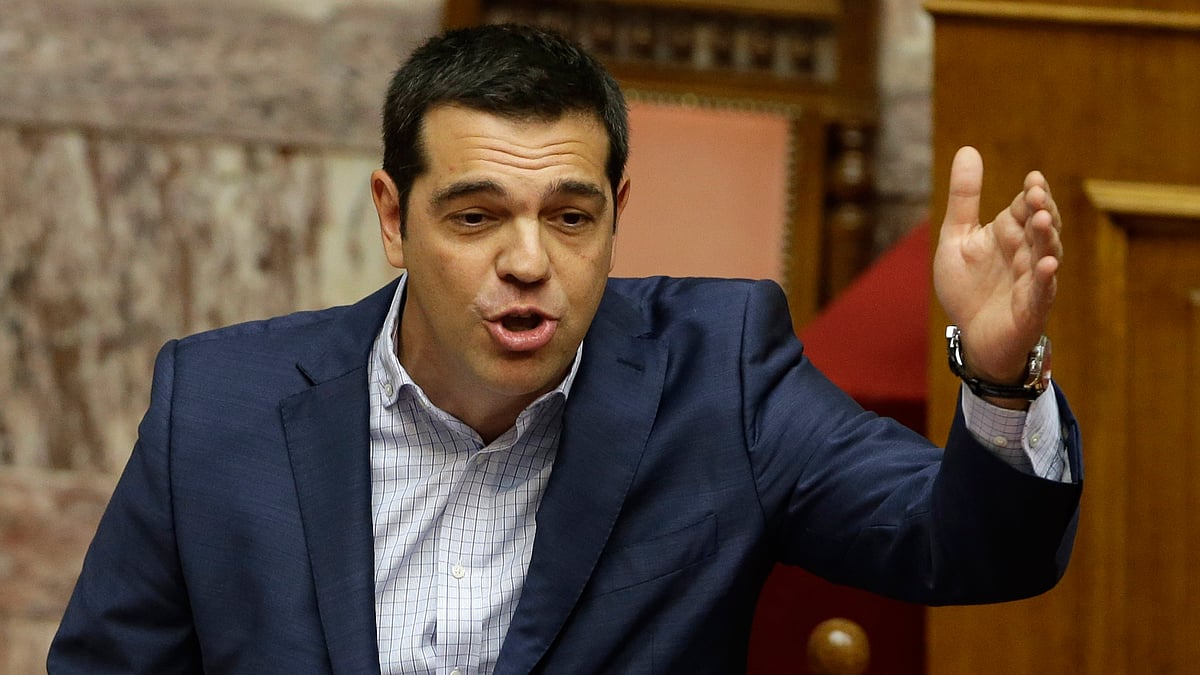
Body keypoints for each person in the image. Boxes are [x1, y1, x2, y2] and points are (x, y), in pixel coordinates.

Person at [48, 23, 1081, 674]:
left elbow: (969, 549)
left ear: (617, 213)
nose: (529, 261)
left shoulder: (720, 376)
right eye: (475, 217)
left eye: (571, 216)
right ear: (392, 217)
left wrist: (998, 377)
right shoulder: (219, 405)